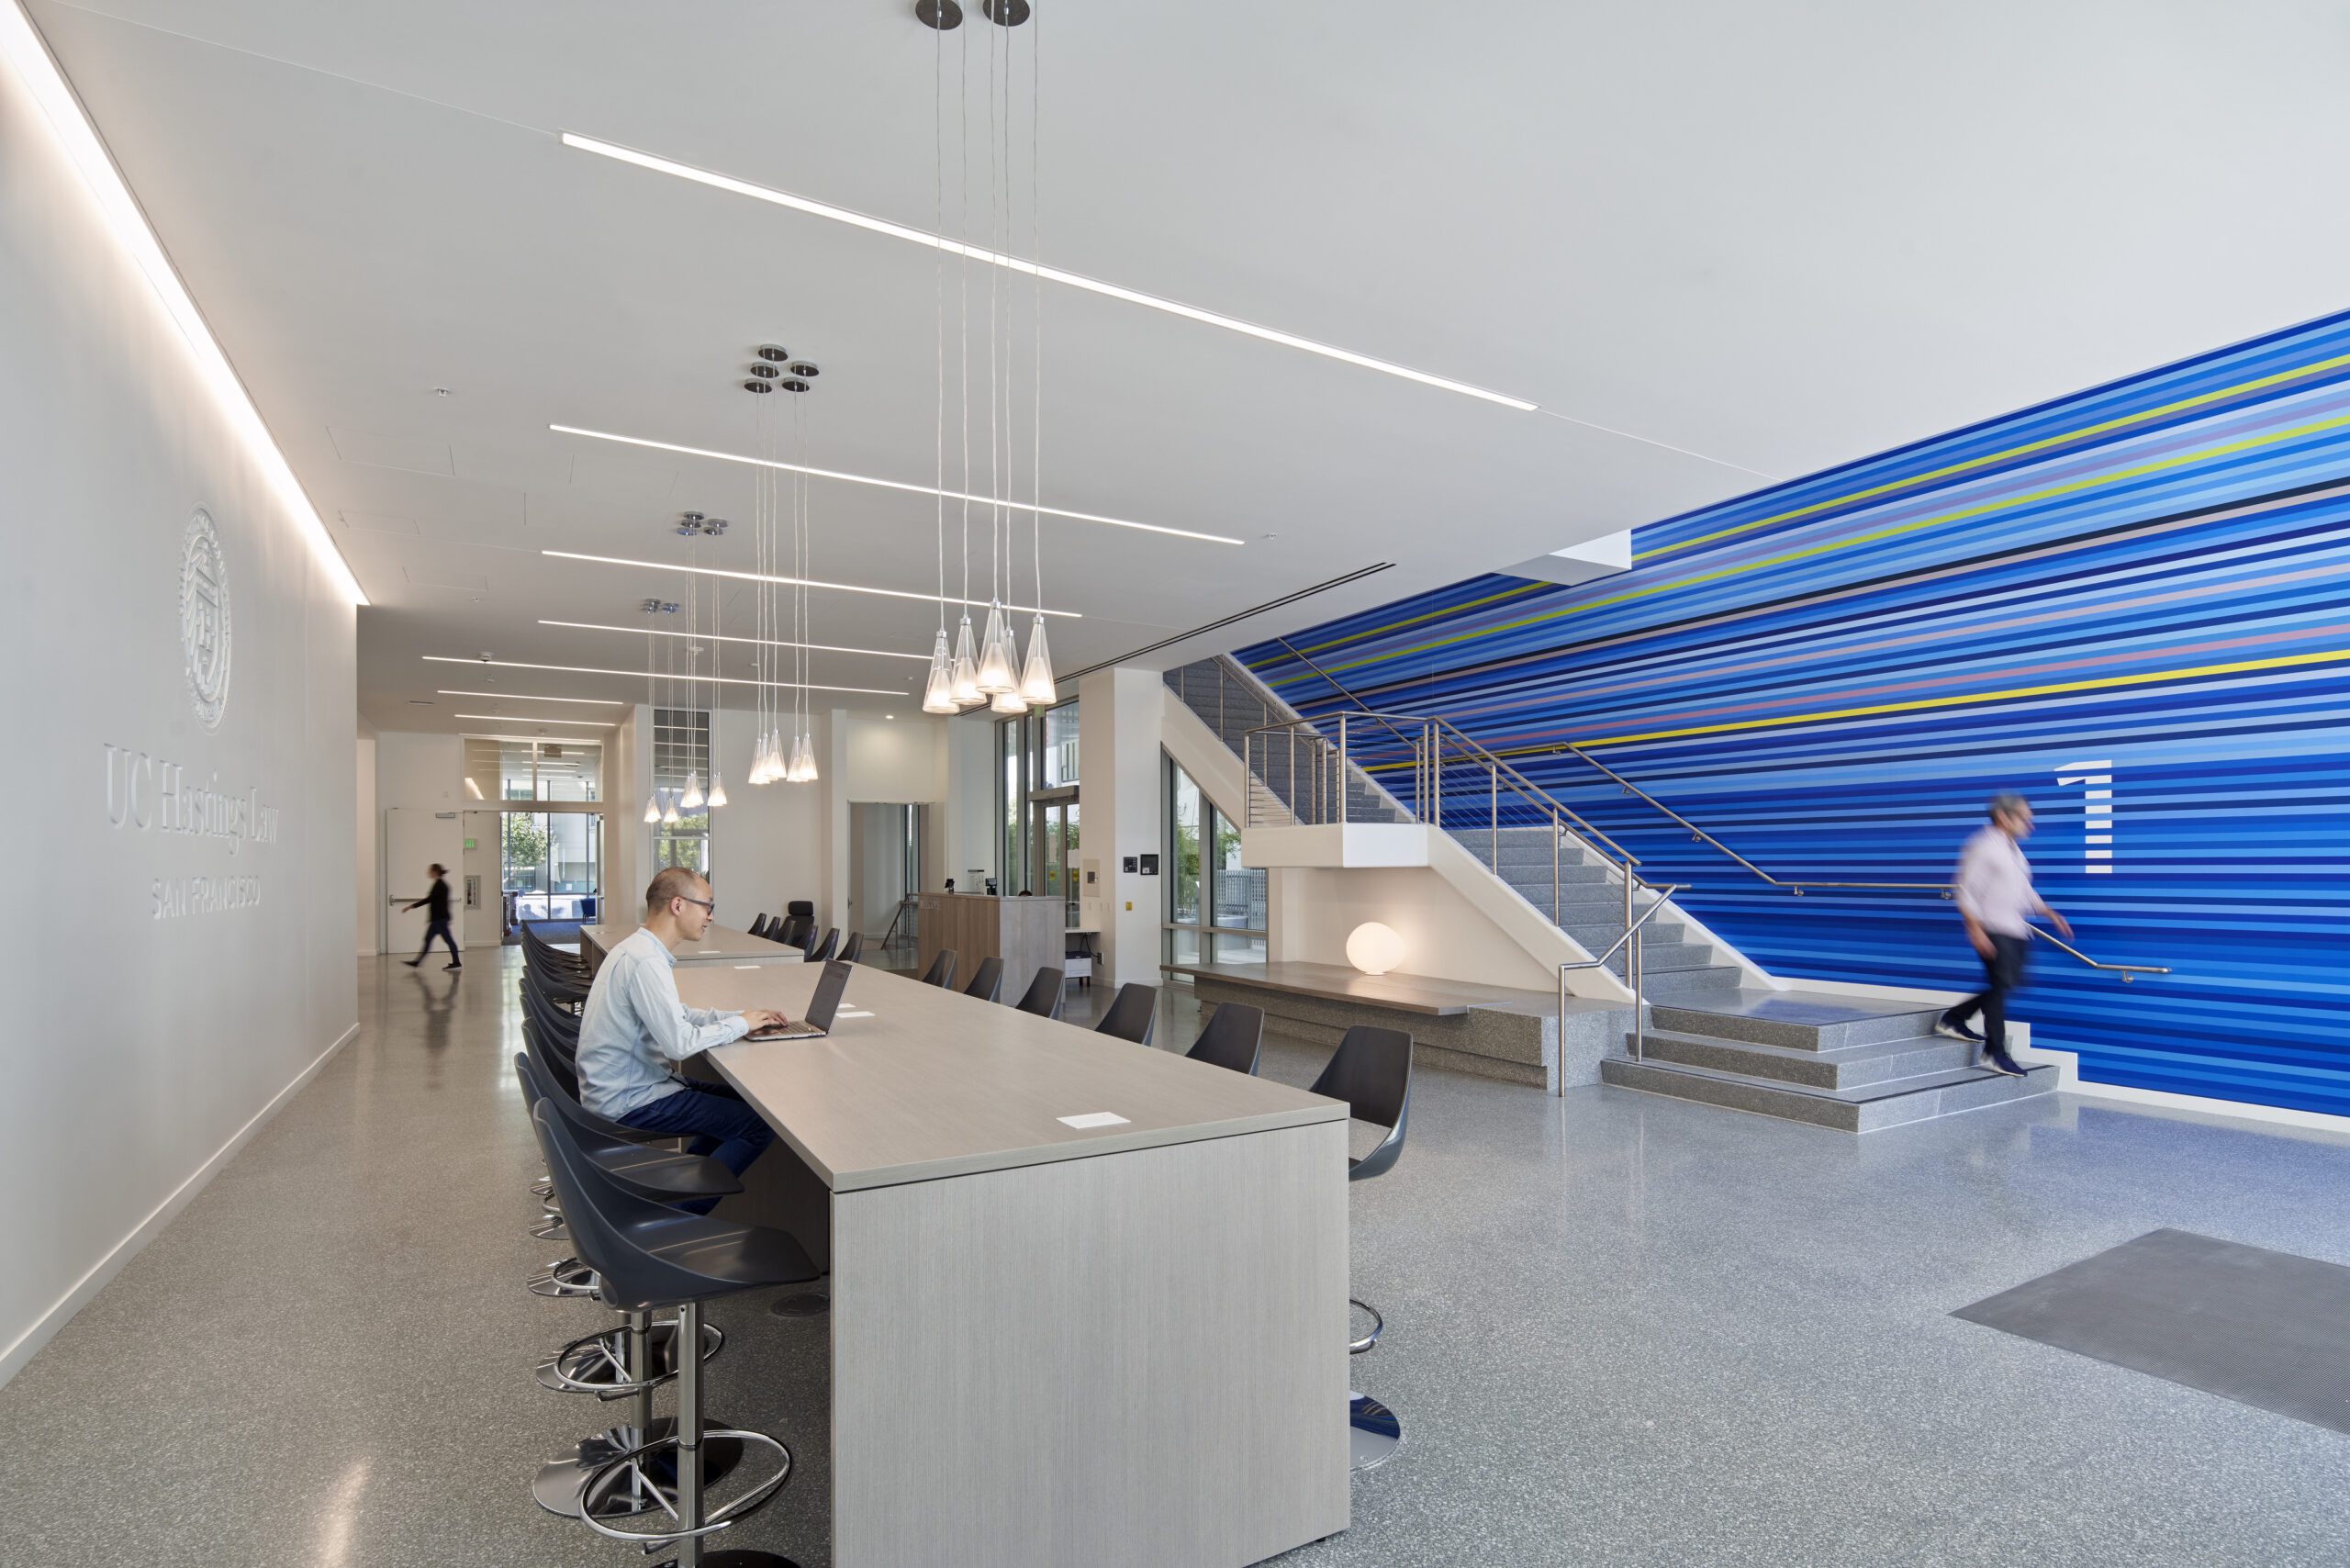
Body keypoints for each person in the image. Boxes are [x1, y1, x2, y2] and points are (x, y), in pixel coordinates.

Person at [573, 868, 784, 1190]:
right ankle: (682, 1208)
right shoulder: (646, 962)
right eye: (707, 906)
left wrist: (739, 1017)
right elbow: (679, 1044)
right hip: (629, 1100)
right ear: (678, 905)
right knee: (757, 1125)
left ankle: (686, 1184)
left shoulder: (639, 950)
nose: (710, 917)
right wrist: (740, 1024)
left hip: (631, 1086)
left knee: (749, 1103)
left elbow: (678, 1015)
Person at [1935, 793, 2071, 1076]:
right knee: (1999, 986)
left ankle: (1954, 1018)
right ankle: (1994, 1051)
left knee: (2006, 984)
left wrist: (2048, 912)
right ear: (2003, 817)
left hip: (2014, 927)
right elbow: (1966, 890)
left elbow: (2023, 889)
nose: (2029, 824)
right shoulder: (1983, 847)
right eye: (2024, 818)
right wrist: (1974, 929)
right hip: (1991, 927)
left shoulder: (2012, 849)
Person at [401, 864, 462, 971]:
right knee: (428, 940)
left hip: (439, 920)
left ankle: (456, 962)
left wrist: (411, 906)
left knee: (448, 940)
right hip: (437, 919)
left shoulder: (440, 885)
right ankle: (417, 962)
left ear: (435, 872)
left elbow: (429, 899)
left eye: (430, 871)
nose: (428, 873)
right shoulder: (440, 884)